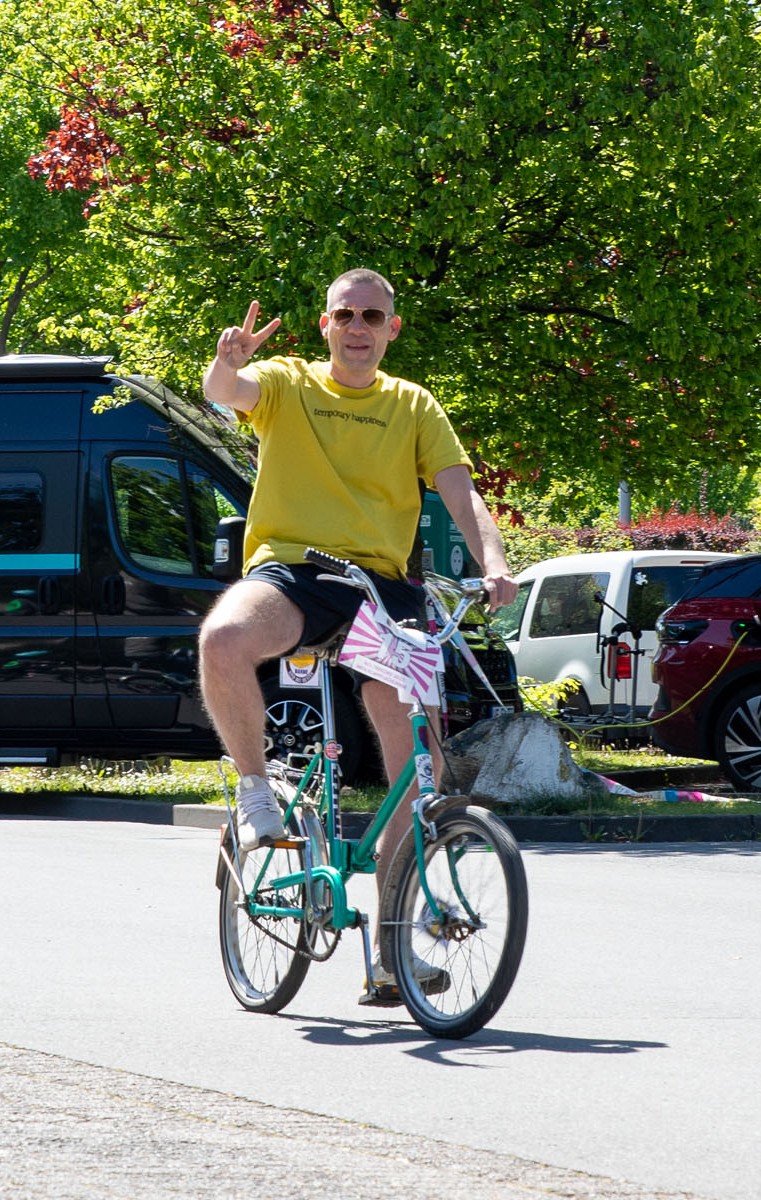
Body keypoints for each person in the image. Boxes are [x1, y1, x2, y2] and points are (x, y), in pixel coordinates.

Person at [197, 268, 516, 1003]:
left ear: (391, 328)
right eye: (345, 315)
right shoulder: (288, 383)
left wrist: (495, 565)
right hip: (297, 571)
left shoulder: (414, 404)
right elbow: (226, 392)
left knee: (421, 761)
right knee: (223, 640)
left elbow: (461, 494)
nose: (358, 327)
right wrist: (227, 363)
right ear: (326, 324)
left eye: (372, 316)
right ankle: (255, 792)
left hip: (383, 587)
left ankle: (391, 947)